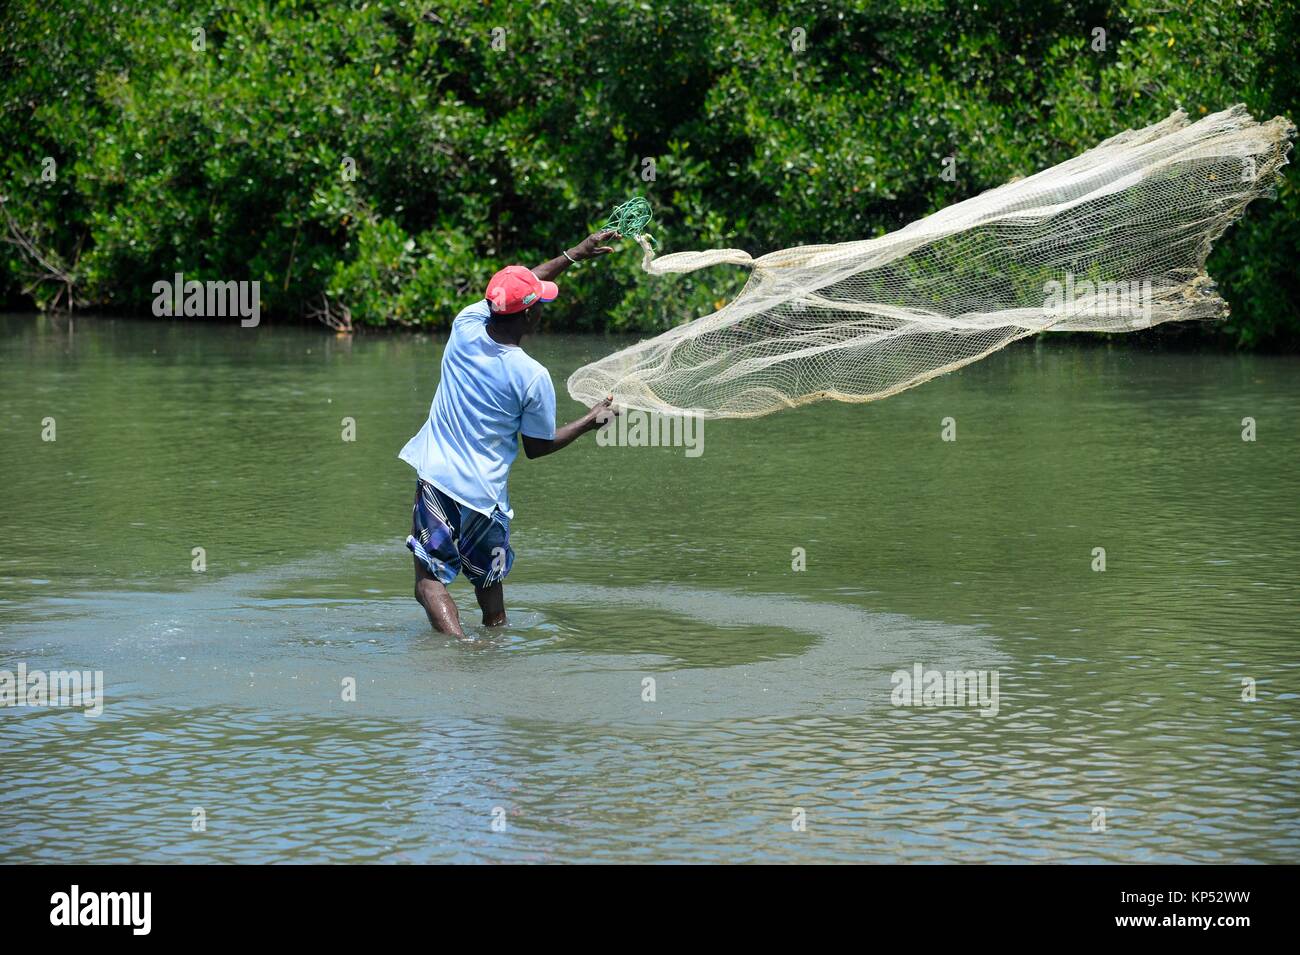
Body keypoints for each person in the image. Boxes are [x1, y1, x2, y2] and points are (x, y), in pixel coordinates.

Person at [398, 229, 620, 636]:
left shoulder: (464, 326)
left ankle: (457, 655)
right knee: (492, 598)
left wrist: (572, 254)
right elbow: (538, 447)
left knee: (429, 584)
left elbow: (512, 292)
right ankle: (491, 661)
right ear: (531, 316)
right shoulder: (531, 376)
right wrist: (590, 421)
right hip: (485, 498)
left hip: (436, 479)